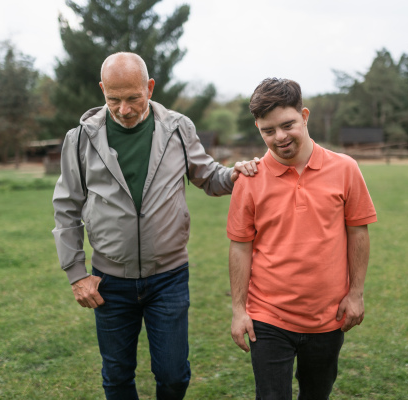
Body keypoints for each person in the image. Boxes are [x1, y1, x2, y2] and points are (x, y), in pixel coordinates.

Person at [52, 52, 258, 400]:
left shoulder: (178, 127)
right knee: (116, 376)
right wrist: (76, 274)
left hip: (169, 278)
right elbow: (66, 207)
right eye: (113, 99)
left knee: (174, 376)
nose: (124, 109)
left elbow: (208, 176)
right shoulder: (81, 138)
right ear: (102, 90)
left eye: (133, 98)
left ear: (149, 87)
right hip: (109, 281)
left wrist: (233, 174)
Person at [227, 78, 377, 400]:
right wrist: (239, 309)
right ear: (258, 128)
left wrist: (356, 293)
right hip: (268, 317)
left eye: (287, 125)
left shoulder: (346, 168)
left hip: (329, 316)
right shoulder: (249, 180)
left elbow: (358, 231)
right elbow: (240, 247)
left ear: (304, 115)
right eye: (268, 131)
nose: (279, 137)